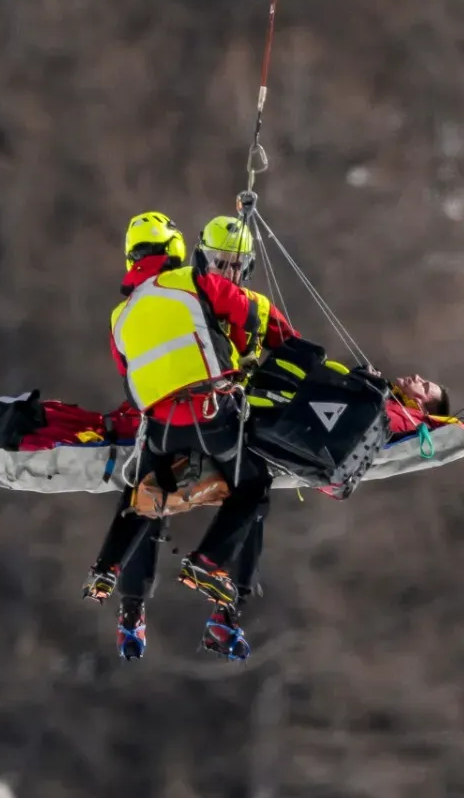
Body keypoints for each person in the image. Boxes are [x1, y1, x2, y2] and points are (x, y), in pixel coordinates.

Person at [85, 211, 296, 662]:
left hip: (160, 429)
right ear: (184, 252)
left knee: (143, 502)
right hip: (212, 414)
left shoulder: (119, 315)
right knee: (252, 489)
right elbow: (262, 318)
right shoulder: (194, 283)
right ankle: (225, 601)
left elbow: (128, 371)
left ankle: (130, 611)